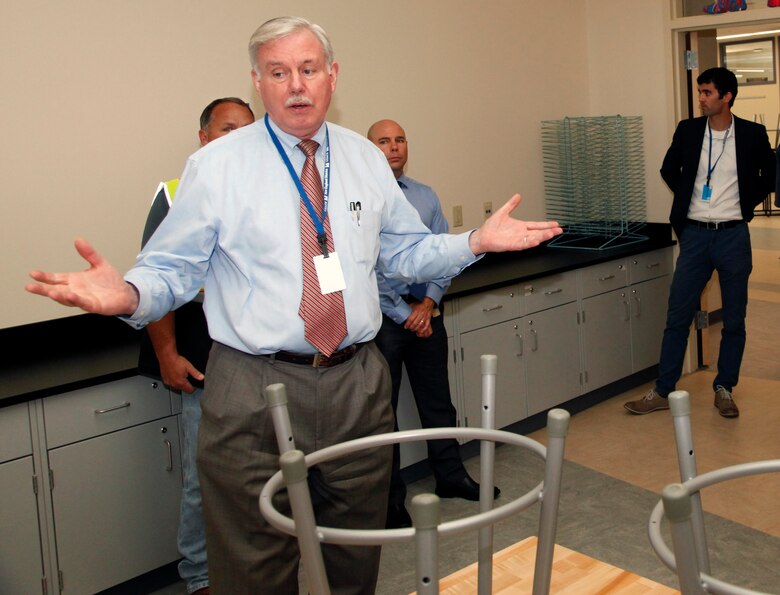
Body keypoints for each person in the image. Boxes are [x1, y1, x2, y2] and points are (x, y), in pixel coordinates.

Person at [26, 16, 562, 594]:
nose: (296, 85)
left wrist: (474, 242)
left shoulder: (365, 160)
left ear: (333, 76)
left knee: (356, 558)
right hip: (251, 389)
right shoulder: (218, 166)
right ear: (258, 82)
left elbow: (406, 254)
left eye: (308, 69)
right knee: (252, 568)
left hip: (356, 380)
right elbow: (171, 270)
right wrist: (128, 294)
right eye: (278, 73)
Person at [137, 97, 254, 595]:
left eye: (247, 131)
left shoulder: (271, 189)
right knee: (202, 478)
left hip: (263, 363)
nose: (238, 140)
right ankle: (201, 577)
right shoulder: (176, 193)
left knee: (259, 476)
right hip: (204, 361)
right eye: (227, 130)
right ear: (203, 138)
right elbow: (155, 279)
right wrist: (167, 354)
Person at [367, 119, 499, 529]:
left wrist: (428, 303)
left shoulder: (424, 196)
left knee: (438, 401)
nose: (394, 147)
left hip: (427, 312)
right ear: (370, 149)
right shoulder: (361, 201)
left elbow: (443, 252)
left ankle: (451, 476)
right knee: (381, 414)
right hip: (384, 322)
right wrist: (405, 313)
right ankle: (390, 501)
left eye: (400, 139)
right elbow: (367, 269)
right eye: (384, 141)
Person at [624, 67, 775, 419]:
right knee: (678, 315)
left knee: (734, 318)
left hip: (733, 236)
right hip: (694, 235)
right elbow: (668, 168)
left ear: (727, 97)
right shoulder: (689, 130)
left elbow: (769, 174)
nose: (701, 98)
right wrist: (689, 197)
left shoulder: (752, 134)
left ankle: (725, 387)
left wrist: (746, 204)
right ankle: (663, 390)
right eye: (700, 91)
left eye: (707, 92)